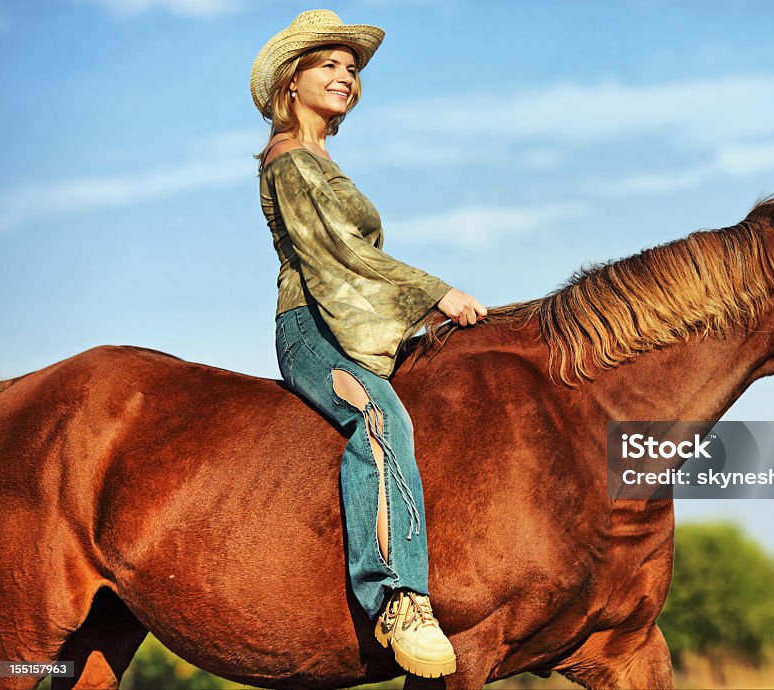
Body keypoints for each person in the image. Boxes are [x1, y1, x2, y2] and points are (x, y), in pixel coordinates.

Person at [250, 9, 486, 679]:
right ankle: (397, 599)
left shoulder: (324, 159)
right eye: (328, 64)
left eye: (350, 69)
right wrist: (434, 292)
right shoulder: (289, 160)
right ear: (291, 82)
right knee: (377, 418)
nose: (345, 76)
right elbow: (335, 256)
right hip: (311, 330)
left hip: (345, 317)